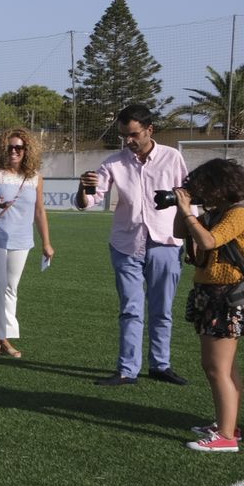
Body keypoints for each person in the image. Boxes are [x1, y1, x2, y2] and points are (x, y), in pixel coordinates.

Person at [75, 104, 189, 386]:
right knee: (130, 308)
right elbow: (89, 202)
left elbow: (188, 197)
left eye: (134, 134)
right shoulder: (113, 163)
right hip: (126, 244)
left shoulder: (172, 158)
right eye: (124, 135)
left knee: (162, 309)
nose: (129, 140)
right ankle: (127, 369)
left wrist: (194, 238)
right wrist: (83, 188)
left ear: (150, 130)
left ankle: (160, 365)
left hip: (166, 242)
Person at [174, 159, 244, 452]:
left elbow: (208, 242)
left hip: (226, 295)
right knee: (219, 367)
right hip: (211, 292)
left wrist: (189, 212)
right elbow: (181, 234)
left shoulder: (238, 213)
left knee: (217, 368)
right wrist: (182, 211)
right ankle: (228, 425)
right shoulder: (216, 212)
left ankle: (226, 436)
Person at [0, 128, 54, 361]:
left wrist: (47, 242)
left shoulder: (35, 177)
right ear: (3, 149)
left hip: (22, 240)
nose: (14, 151)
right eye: (10, 147)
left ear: (27, 150)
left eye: (19, 147)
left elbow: (39, 210)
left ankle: (0, 339)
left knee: (11, 289)